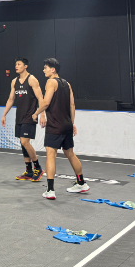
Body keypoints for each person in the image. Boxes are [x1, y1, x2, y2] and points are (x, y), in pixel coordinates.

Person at [32, 58, 90, 200]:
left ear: (53, 69)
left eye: (45, 67)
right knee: (70, 153)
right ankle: (81, 183)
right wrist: (72, 123)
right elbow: (72, 105)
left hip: (55, 126)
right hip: (66, 125)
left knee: (51, 155)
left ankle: (50, 190)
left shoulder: (50, 82)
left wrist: (35, 113)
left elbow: (46, 103)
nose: (43, 70)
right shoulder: (67, 84)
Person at [1, 58, 45, 181]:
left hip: (30, 116)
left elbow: (41, 98)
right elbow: (11, 99)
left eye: (19, 64)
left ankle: (38, 168)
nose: (16, 66)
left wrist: (42, 115)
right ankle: (29, 171)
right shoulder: (14, 81)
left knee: (25, 142)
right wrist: (4, 114)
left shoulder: (32, 80)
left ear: (25, 66)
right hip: (19, 116)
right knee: (22, 143)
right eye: (15, 64)